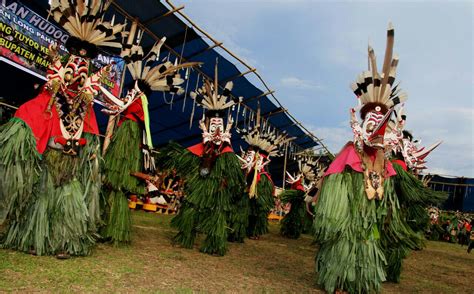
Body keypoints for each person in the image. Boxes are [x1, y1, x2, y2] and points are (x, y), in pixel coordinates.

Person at [0, 0, 125, 258]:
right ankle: (37, 239)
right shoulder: (48, 99)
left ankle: (66, 244)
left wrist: (91, 156)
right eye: (71, 72)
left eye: (82, 74)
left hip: (72, 162)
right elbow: (29, 115)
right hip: (50, 160)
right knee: (43, 199)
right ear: (62, 70)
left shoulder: (85, 106)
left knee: (69, 201)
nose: (76, 78)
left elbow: (90, 135)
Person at [157, 65, 245, 256]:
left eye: (218, 123)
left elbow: (233, 173)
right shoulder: (200, 147)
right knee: (192, 204)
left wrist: (227, 180)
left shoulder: (226, 152)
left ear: (224, 125)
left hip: (218, 185)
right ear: (205, 123)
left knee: (218, 210)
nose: (215, 126)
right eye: (212, 123)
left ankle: (214, 242)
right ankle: (186, 235)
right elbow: (186, 157)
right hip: (202, 181)